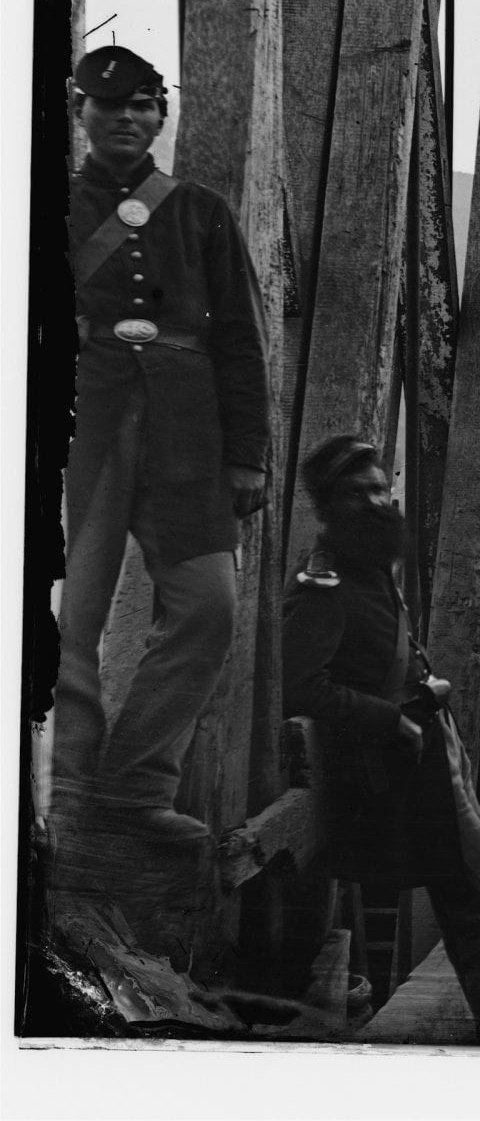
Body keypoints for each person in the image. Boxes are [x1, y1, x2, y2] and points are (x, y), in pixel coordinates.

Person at [54, 44, 270, 845]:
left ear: (159, 116)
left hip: (188, 432)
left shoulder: (201, 211)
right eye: (109, 107)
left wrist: (247, 452)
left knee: (209, 607)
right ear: (80, 114)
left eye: (143, 106)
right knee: (71, 617)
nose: (126, 120)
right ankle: (71, 789)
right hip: (85, 424)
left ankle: (136, 785)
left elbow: (242, 341)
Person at [284, 434, 480, 1043]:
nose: (375, 501)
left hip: (430, 755)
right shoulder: (324, 588)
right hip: (403, 769)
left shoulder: (368, 567)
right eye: (357, 492)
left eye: (380, 488)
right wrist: (388, 718)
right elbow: (299, 687)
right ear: (326, 506)